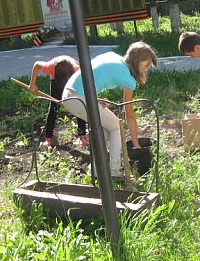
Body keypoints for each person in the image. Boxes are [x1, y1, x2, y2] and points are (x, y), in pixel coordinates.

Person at [61, 42, 157, 178]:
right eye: (146, 65)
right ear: (137, 62)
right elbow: (129, 114)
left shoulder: (112, 56)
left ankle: (95, 170)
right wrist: (136, 144)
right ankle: (114, 171)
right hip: (79, 99)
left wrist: (95, 99)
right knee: (116, 126)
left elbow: (93, 76)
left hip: (70, 94)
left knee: (106, 128)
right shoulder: (127, 78)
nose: (146, 69)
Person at [28, 55, 88, 148]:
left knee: (78, 105)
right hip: (56, 81)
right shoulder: (49, 67)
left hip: (74, 80)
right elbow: (36, 65)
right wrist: (32, 84)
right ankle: (48, 139)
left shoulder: (77, 70)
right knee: (53, 108)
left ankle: (82, 137)